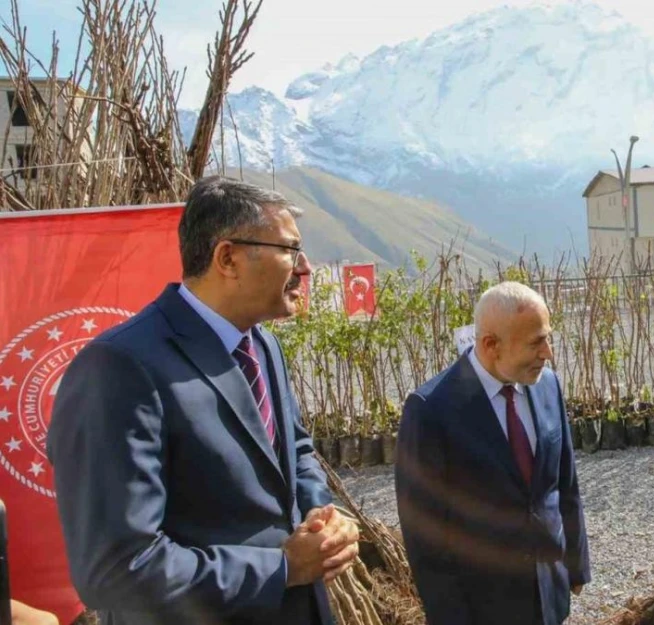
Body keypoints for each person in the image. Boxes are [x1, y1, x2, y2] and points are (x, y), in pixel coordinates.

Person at [46, 177, 361, 625]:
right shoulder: (119, 368)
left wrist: (322, 517)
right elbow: (115, 568)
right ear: (227, 257)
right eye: (290, 250)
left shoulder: (262, 346)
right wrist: (283, 568)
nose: (305, 267)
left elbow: (296, 451)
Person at [395, 281, 590, 625]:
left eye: (547, 337)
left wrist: (575, 568)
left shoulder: (547, 385)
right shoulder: (431, 410)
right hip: (481, 606)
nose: (548, 353)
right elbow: (424, 534)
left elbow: (564, 482)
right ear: (490, 345)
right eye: (535, 342)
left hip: (549, 595)